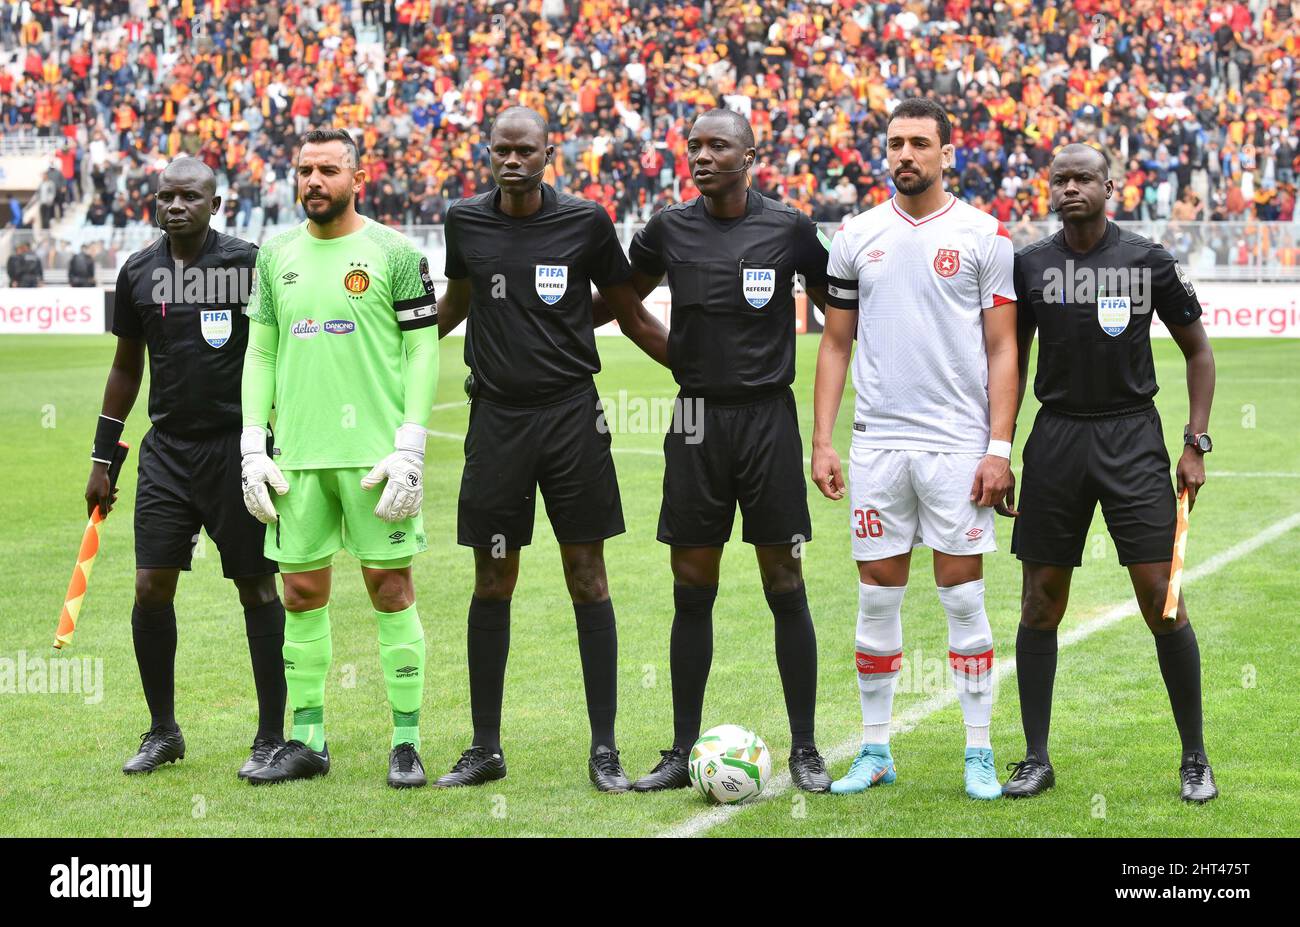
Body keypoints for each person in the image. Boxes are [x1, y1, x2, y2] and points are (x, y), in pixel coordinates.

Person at [433, 106, 668, 792]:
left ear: (548, 153)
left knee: (587, 575)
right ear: (489, 152)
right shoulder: (463, 219)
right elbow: (456, 303)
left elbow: (627, 308)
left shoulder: (586, 221)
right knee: (493, 578)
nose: (512, 160)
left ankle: (604, 749)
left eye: (524, 150)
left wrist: (699, 365)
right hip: (497, 420)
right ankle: (485, 747)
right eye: (501, 149)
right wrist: (388, 337)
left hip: (571, 417)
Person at [600, 109, 834, 793]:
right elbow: (622, 303)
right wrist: (683, 361)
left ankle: (807, 748)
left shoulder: (788, 228)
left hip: (768, 420)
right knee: (691, 588)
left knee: (785, 584)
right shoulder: (668, 229)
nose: (701, 156)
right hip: (697, 419)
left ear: (749, 154)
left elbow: (839, 312)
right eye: (694, 146)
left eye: (716, 146)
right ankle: (678, 751)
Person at [811, 98, 1019, 800]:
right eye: (896, 142)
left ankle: (980, 751)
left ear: (946, 152)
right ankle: (874, 749)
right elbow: (835, 343)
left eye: (920, 143)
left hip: (957, 447)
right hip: (877, 446)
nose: (906, 154)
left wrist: (998, 446)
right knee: (877, 599)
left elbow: (1003, 348)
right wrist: (823, 440)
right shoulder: (855, 236)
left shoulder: (985, 235)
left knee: (963, 597)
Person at [1004, 143, 1218, 803]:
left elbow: (1199, 352)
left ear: (1110, 185)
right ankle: (1036, 758)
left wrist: (1196, 442)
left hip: (1132, 435)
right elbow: (1008, 360)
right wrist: (998, 448)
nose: (1070, 188)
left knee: (1162, 598)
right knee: (1041, 600)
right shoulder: (1030, 265)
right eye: (1059, 179)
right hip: (1057, 437)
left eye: (1082, 178)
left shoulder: (1147, 259)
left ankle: (1194, 757)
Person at [238, 128, 440, 788]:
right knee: (299, 593)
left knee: (390, 588)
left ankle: (406, 742)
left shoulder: (395, 252)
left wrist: (411, 444)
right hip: (297, 457)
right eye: (304, 170)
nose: (314, 181)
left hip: (374, 458)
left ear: (359, 175)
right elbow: (262, 353)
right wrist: (251, 444)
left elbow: (423, 350)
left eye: (328, 169)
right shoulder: (275, 256)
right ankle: (308, 738)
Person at [86, 157, 287, 778]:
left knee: (254, 586)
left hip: (237, 448)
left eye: (189, 197)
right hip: (167, 451)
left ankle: (272, 734)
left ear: (216, 204)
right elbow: (126, 368)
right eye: (166, 196)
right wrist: (103, 458)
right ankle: (163, 731)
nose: (176, 206)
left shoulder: (248, 265)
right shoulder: (139, 271)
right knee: (150, 587)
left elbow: (281, 348)